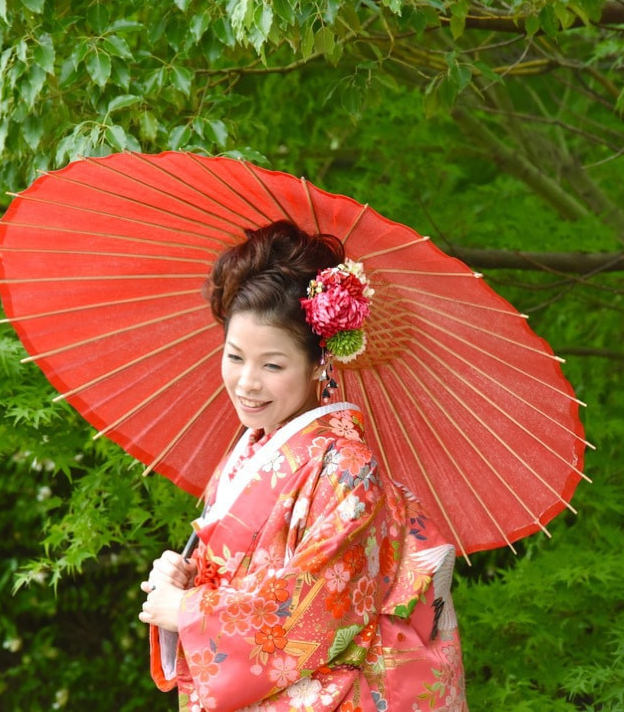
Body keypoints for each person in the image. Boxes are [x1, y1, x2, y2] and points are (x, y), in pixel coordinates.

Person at [139, 221, 467, 712]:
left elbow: (319, 616)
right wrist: (185, 579)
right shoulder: (249, 451)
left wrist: (187, 613)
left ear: (319, 364)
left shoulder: (348, 471)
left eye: (272, 365)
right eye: (234, 357)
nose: (246, 383)